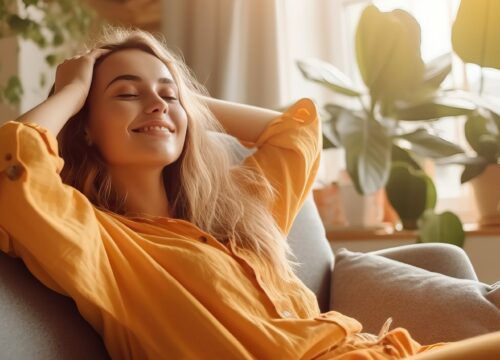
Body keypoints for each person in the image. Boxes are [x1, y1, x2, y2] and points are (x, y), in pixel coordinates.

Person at [0, 26, 499, 359]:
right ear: (85, 126)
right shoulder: (103, 245)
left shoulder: (234, 216)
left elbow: (295, 132)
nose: (156, 105)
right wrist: (69, 91)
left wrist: (182, 100)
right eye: (127, 94)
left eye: (167, 95)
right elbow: (15, 172)